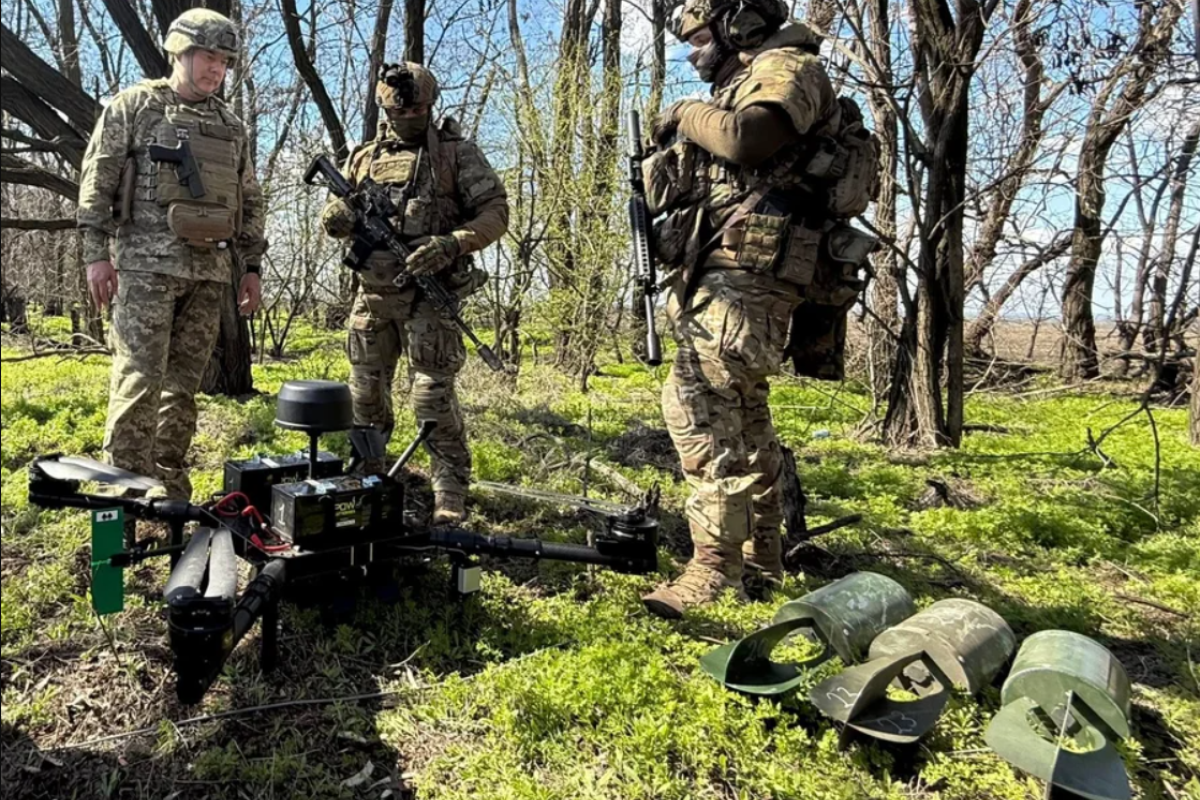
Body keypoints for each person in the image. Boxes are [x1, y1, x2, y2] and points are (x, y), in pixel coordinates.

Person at [640, 0, 879, 617]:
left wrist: (684, 113)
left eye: (700, 39)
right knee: (744, 417)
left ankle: (714, 568)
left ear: (737, 26)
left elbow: (746, 140)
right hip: (730, 271)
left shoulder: (786, 68)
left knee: (699, 408)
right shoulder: (748, 80)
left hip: (751, 275)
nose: (693, 55)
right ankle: (761, 557)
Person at [77, 8, 266, 502]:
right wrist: (96, 253)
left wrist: (250, 266)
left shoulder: (230, 125)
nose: (216, 69)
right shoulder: (135, 106)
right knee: (138, 380)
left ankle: (168, 491)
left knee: (182, 387)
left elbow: (249, 199)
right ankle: (121, 498)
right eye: (208, 56)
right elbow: (98, 179)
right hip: (146, 268)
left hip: (209, 272)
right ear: (179, 51)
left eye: (225, 61)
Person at [320, 62, 509, 525]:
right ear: (385, 110)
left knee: (430, 398)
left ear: (430, 106)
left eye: (417, 110)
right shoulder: (363, 157)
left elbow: (495, 211)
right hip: (371, 297)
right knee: (365, 397)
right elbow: (337, 210)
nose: (408, 117)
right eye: (398, 111)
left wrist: (452, 243)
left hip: (428, 296)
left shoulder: (456, 155)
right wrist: (337, 216)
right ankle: (368, 476)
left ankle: (450, 487)